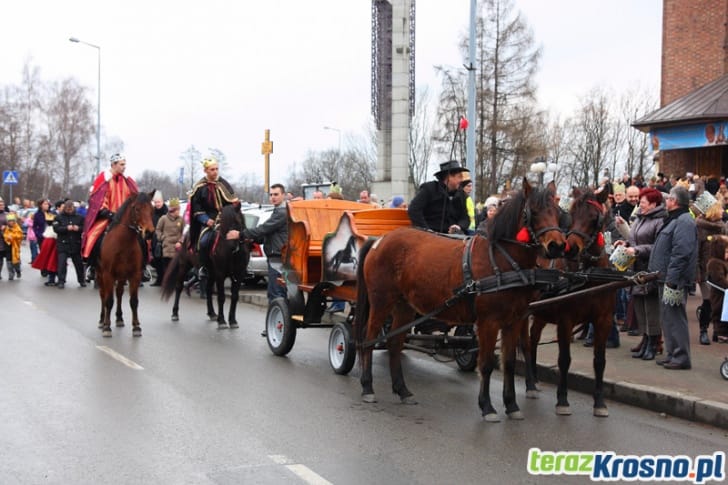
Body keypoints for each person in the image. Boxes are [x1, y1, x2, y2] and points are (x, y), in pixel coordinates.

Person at [648, 185, 697, 370]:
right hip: (666, 278)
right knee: (668, 318)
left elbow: (682, 253)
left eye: (668, 199)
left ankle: (681, 357)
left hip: (673, 280)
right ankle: (673, 354)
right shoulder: (675, 219)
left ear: (674, 201)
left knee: (675, 317)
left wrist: (672, 279)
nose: (666, 201)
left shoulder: (684, 221)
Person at [614, 187, 666, 360]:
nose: (640, 205)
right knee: (639, 307)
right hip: (637, 269)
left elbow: (659, 247)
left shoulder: (660, 221)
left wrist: (636, 250)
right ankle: (645, 339)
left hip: (650, 269)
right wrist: (625, 243)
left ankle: (653, 342)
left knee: (651, 309)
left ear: (653, 204)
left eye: (643, 202)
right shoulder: (640, 218)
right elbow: (634, 238)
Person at [82, 153, 139, 281]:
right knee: (94, 237)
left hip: (125, 218)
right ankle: (91, 264)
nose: (124, 167)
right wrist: (110, 213)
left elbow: (133, 199)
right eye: (121, 164)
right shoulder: (104, 180)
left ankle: (142, 267)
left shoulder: (127, 181)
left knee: (140, 239)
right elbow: (98, 201)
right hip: (108, 217)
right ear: (113, 165)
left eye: (125, 164)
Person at [242, 183, 288, 336]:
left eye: (276, 194)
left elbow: (264, 229)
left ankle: (277, 329)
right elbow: (268, 234)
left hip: (278, 258)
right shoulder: (277, 211)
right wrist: (254, 239)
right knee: (273, 293)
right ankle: (273, 327)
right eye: (271, 195)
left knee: (277, 294)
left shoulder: (281, 212)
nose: (273, 197)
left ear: (283, 195)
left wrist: (242, 234)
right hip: (274, 257)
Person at [189, 156, 238, 282]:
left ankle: (238, 268)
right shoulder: (199, 187)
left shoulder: (224, 184)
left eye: (216, 169)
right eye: (212, 169)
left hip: (226, 219)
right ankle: (203, 268)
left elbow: (232, 202)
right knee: (204, 241)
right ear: (206, 170)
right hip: (209, 221)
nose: (215, 172)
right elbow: (196, 208)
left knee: (238, 240)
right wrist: (206, 220)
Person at [692, 191, 727, 344]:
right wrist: (697, 273)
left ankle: (717, 331)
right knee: (708, 301)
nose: (723, 211)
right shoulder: (700, 228)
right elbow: (696, 252)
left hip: (722, 271)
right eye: (720, 209)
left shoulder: (723, 227)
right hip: (705, 272)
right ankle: (703, 330)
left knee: (720, 302)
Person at [408, 160, 470, 234]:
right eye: (459, 177)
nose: (461, 180)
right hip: (430, 236)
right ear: (449, 177)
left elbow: (465, 218)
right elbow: (414, 210)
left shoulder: (461, 194)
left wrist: (459, 226)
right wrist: (426, 230)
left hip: (454, 237)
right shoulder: (429, 189)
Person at [53, 200, 86, 289]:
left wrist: (78, 228)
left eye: (71, 209)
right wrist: (66, 228)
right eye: (67, 209)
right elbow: (56, 229)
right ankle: (61, 281)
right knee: (62, 264)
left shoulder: (80, 218)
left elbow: (85, 227)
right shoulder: (58, 217)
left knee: (78, 264)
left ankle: (82, 280)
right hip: (63, 243)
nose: (69, 210)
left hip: (75, 243)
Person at [155, 198, 185, 286]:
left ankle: (175, 282)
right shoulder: (163, 219)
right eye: (177, 209)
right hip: (167, 246)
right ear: (173, 210)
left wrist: (181, 241)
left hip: (177, 246)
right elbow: (158, 230)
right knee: (167, 266)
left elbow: (184, 232)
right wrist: (162, 238)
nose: (179, 211)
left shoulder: (181, 220)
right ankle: (167, 282)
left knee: (177, 266)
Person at [707, 235, 728, 343]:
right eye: (726, 251)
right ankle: (720, 333)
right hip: (719, 295)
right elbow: (719, 280)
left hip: (724, 294)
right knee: (719, 313)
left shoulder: (723, 262)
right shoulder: (715, 263)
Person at [150, 192, 169, 286]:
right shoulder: (152, 212)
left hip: (165, 239)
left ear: (162, 201)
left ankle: (165, 280)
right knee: (157, 260)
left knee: (164, 261)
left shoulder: (167, 212)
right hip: (155, 239)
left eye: (159, 202)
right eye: (156, 202)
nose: (157, 204)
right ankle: (159, 279)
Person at [2, 213, 23, 280]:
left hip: (15, 247)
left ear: (14, 221)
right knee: (9, 261)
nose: (11, 222)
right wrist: (7, 237)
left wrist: (13, 237)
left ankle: (18, 271)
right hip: (8, 246)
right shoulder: (6, 228)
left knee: (16, 262)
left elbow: (20, 236)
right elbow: (5, 235)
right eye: (9, 221)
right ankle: (11, 274)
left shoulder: (17, 227)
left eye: (12, 221)